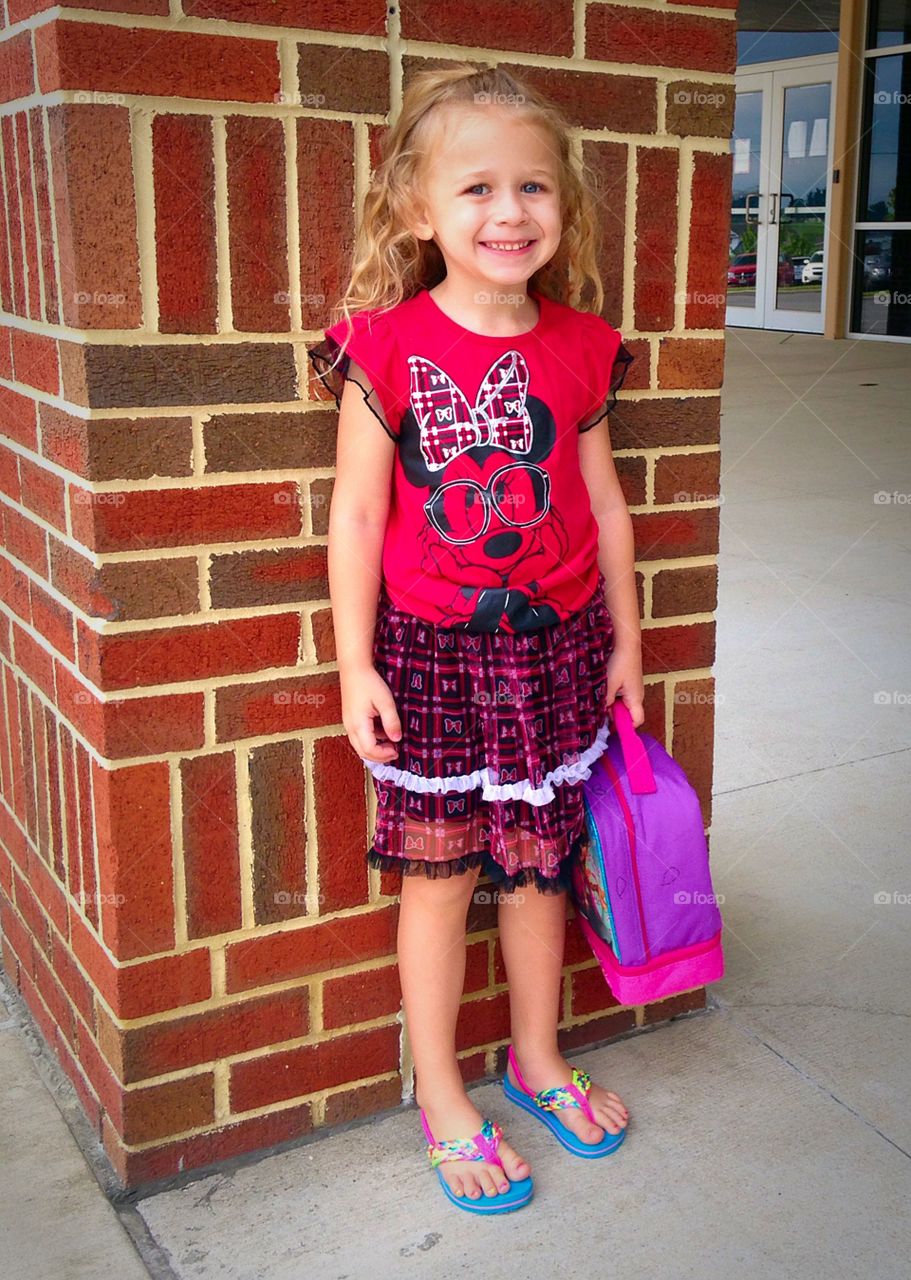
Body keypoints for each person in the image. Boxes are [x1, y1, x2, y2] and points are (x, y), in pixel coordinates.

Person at [309, 63, 642, 1215]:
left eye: (533, 187)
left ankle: (536, 1057)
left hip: (555, 650)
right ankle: (441, 1088)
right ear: (416, 208)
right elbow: (356, 514)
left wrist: (626, 642)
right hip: (433, 660)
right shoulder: (383, 348)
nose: (509, 212)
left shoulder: (585, 344)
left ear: (563, 208)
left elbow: (602, 504)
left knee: (542, 867)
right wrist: (354, 662)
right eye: (478, 189)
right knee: (442, 879)